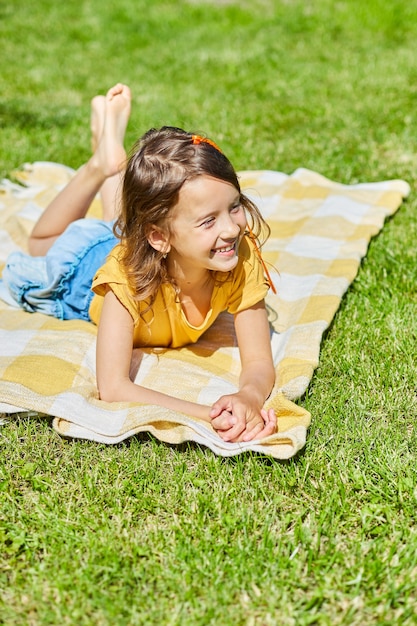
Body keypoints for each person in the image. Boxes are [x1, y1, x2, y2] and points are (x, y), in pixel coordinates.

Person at [2, 83, 277, 443]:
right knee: (41, 245)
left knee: (123, 223)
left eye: (234, 206)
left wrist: (248, 397)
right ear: (159, 237)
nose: (231, 228)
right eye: (208, 220)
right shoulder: (124, 281)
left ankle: (109, 155)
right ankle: (97, 167)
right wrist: (208, 415)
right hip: (83, 268)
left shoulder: (237, 259)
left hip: (143, 242)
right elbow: (113, 387)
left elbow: (258, 362)